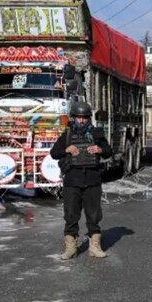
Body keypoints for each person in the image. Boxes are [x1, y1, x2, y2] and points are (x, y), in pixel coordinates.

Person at [50, 101, 113, 259]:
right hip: (72, 181)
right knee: (71, 215)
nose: (82, 120)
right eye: (79, 117)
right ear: (74, 118)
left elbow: (108, 151)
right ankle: (71, 247)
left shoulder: (97, 133)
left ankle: (95, 247)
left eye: (84, 117)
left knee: (94, 215)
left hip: (92, 180)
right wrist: (67, 149)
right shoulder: (68, 134)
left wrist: (99, 149)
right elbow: (54, 153)